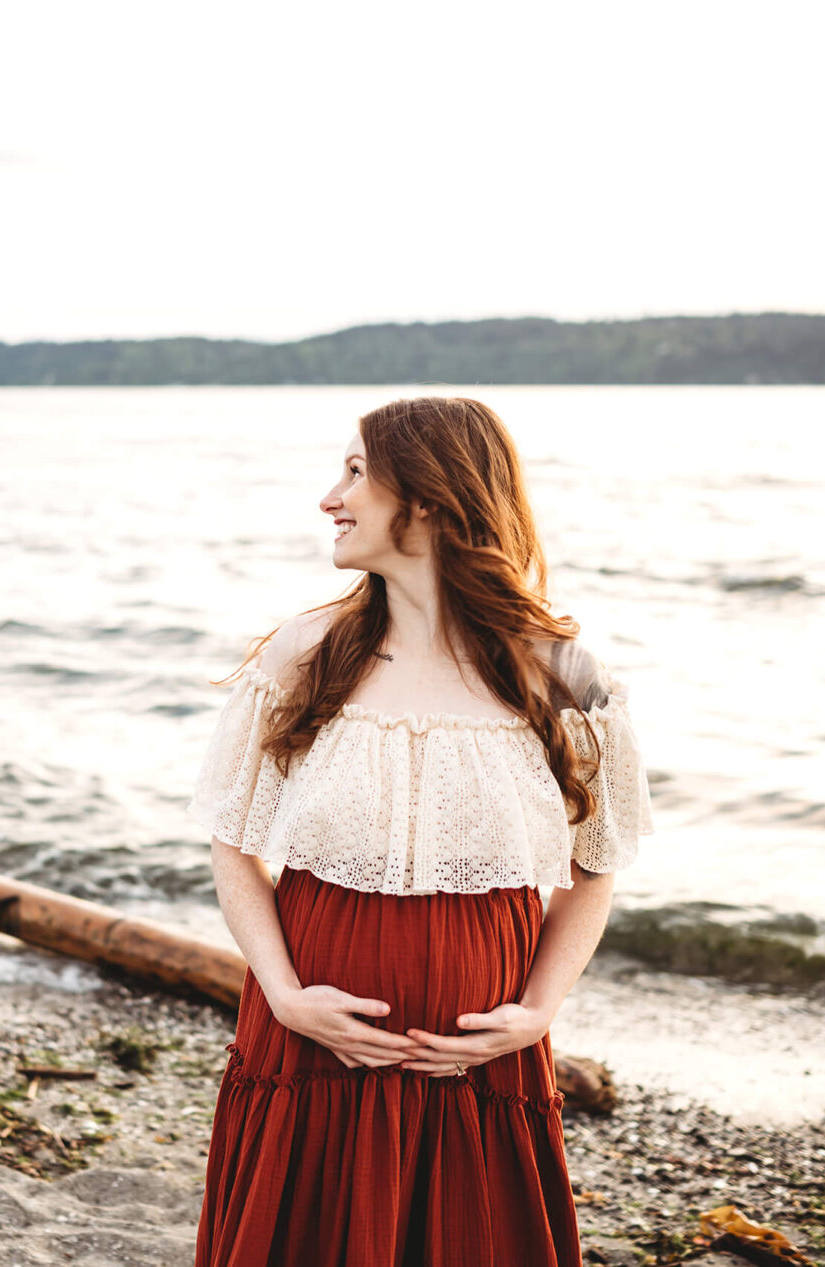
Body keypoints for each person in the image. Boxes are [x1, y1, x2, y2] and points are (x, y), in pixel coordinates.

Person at [189, 397, 653, 1266]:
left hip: (479, 1068)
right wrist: (288, 997)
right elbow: (233, 844)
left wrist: (537, 1014)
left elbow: (593, 870)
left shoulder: (562, 675)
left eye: (357, 472)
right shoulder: (305, 653)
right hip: (308, 1045)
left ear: (432, 498)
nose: (331, 496)